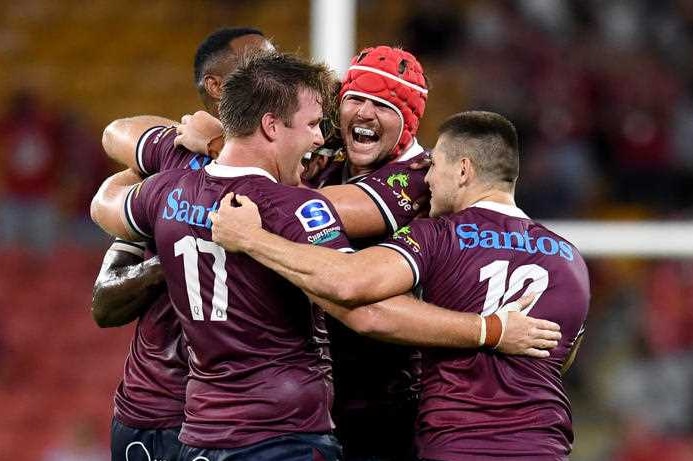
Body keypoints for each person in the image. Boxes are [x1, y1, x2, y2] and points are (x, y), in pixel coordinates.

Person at [91, 52, 562, 459]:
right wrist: (491, 330)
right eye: (349, 104)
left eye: (386, 105)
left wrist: (203, 154)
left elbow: (108, 193)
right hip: (283, 429)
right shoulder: (297, 203)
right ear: (273, 126)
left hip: (221, 426)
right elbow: (365, 309)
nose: (321, 136)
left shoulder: (422, 177)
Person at [208, 110, 590, 460]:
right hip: (545, 444)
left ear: (463, 170)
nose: (426, 178)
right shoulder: (570, 258)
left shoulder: (439, 235)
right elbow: (564, 352)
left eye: (434, 165)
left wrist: (253, 240)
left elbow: (349, 282)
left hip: (458, 444)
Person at [91, 27, 274, 461]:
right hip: (155, 411)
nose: (273, 74)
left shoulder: (294, 166)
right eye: (258, 65)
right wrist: (173, 254)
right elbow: (104, 303)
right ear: (216, 87)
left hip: (245, 418)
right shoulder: (174, 165)